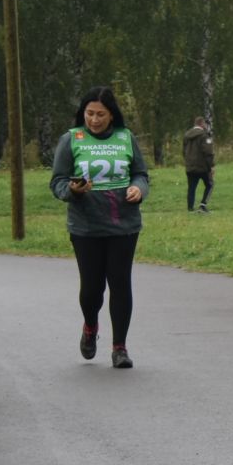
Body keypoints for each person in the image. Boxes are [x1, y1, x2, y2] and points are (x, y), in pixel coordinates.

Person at [51, 87, 149, 368]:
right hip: (86, 225)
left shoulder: (126, 137)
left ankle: (120, 348)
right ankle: (90, 326)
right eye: (89, 114)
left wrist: (138, 189)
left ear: (111, 115)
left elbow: (141, 174)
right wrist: (73, 191)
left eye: (100, 115)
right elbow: (57, 182)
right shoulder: (71, 139)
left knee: (120, 284)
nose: (94, 120)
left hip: (123, 223)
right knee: (92, 288)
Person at [183, 116, 215, 212]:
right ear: (202, 124)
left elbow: (183, 151)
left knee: (191, 187)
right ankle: (203, 205)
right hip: (202, 167)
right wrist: (211, 166)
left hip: (190, 166)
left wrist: (187, 162)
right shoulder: (204, 136)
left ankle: (190, 208)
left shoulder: (186, 135)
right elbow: (208, 152)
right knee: (210, 184)